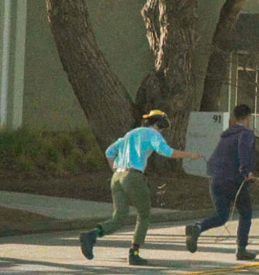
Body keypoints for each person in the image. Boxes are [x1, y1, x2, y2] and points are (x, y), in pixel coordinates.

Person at [79, 110, 204, 266]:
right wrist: (189, 155)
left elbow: (109, 152)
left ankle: (92, 235)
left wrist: (116, 170)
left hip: (117, 177)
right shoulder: (153, 134)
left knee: (119, 217)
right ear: (159, 123)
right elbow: (166, 151)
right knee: (144, 214)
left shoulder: (130, 134)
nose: (162, 130)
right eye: (162, 126)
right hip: (133, 176)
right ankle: (134, 253)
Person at [184, 104, 259, 261]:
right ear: (248, 117)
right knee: (246, 213)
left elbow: (218, 158)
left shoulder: (226, 135)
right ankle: (241, 249)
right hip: (232, 181)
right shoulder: (246, 134)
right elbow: (243, 152)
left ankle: (197, 228)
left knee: (221, 216)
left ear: (235, 117)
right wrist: (246, 172)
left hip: (215, 179)